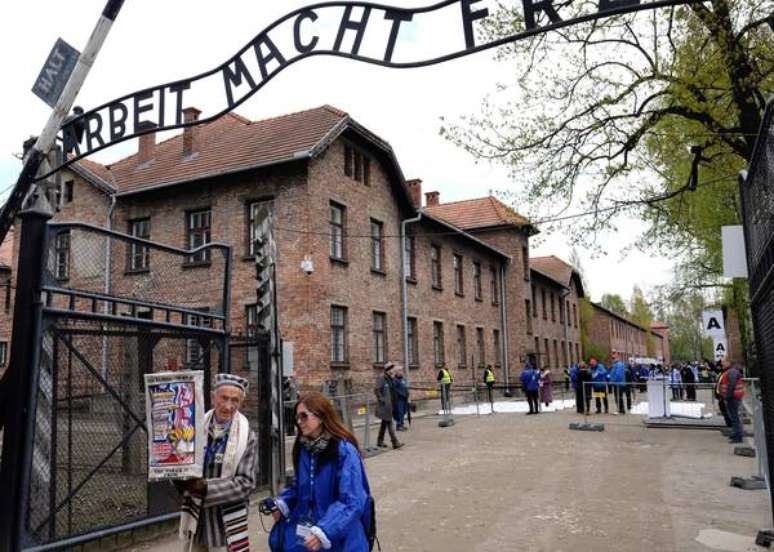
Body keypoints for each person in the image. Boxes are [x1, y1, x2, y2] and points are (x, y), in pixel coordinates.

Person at [268, 391, 371, 551]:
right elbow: (301, 485)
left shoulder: (344, 450)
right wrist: (283, 503)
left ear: (322, 417)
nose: (299, 422)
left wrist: (325, 530)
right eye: (297, 417)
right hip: (305, 535)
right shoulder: (303, 448)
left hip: (338, 536)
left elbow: (352, 500)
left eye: (304, 416)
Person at [177, 373, 258, 552]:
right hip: (198, 521)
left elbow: (246, 483)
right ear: (213, 397)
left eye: (235, 400)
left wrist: (205, 487)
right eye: (224, 398)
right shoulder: (194, 428)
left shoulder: (247, 437)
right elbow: (181, 463)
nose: (228, 406)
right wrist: (177, 479)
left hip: (225, 527)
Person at [374, 364, 403, 449]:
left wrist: (393, 377)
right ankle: (395, 442)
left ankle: (380, 441)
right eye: (392, 370)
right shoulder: (382, 378)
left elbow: (394, 387)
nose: (393, 371)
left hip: (390, 404)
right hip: (385, 405)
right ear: (388, 370)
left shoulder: (390, 379)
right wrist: (381, 399)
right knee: (389, 423)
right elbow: (376, 389)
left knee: (384, 423)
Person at [719, 361, 745, 443]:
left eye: (723, 362)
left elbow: (731, 384)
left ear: (728, 363)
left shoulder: (731, 372)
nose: (722, 364)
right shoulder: (732, 371)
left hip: (732, 397)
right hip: (733, 397)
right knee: (734, 417)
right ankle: (736, 433)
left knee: (734, 417)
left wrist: (727, 396)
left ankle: (738, 436)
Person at [391, 366, 410, 430]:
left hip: (404, 398)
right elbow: (394, 390)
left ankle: (402, 424)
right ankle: (398, 425)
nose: (401, 372)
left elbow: (405, 387)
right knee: (399, 412)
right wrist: (399, 394)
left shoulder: (402, 379)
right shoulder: (394, 380)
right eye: (400, 371)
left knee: (404, 411)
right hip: (399, 399)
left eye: (401, 370)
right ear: (396, 372)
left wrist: (407, 393)